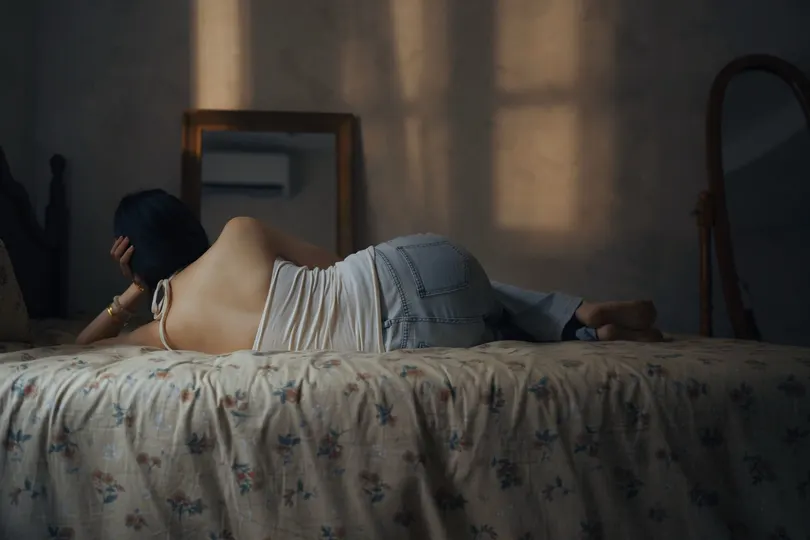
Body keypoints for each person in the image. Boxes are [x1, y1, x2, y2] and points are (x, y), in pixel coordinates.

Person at [76, 189, 663, 354]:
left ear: (136, 256)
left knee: (481, 326)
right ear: (188, 225)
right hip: (425, 260)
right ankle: (578, 315)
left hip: (415, 332)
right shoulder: (240, 232)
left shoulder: (168, 330)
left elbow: (82, 350)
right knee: (469, 300)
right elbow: (337, 265)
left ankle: (588, 333)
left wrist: (135, 290)